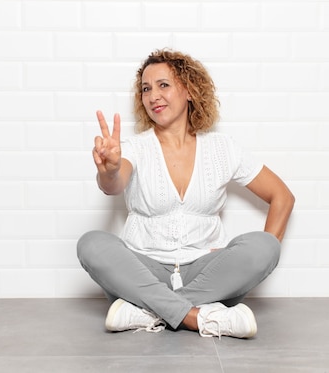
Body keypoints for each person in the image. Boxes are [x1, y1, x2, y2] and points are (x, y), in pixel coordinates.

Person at [77, 48, 294, 339]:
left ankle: (149, 312)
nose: (153, 95)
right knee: (91, 243)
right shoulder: (134, 148)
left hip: (205, 273)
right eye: (146, 88)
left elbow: (282, 196)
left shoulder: (222, 148)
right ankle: (201, 316)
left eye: (163, 85)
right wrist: (110, 169)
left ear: (189, 90)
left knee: (265, 247)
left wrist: (243, 258)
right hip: (144, 270)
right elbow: (112, 185)